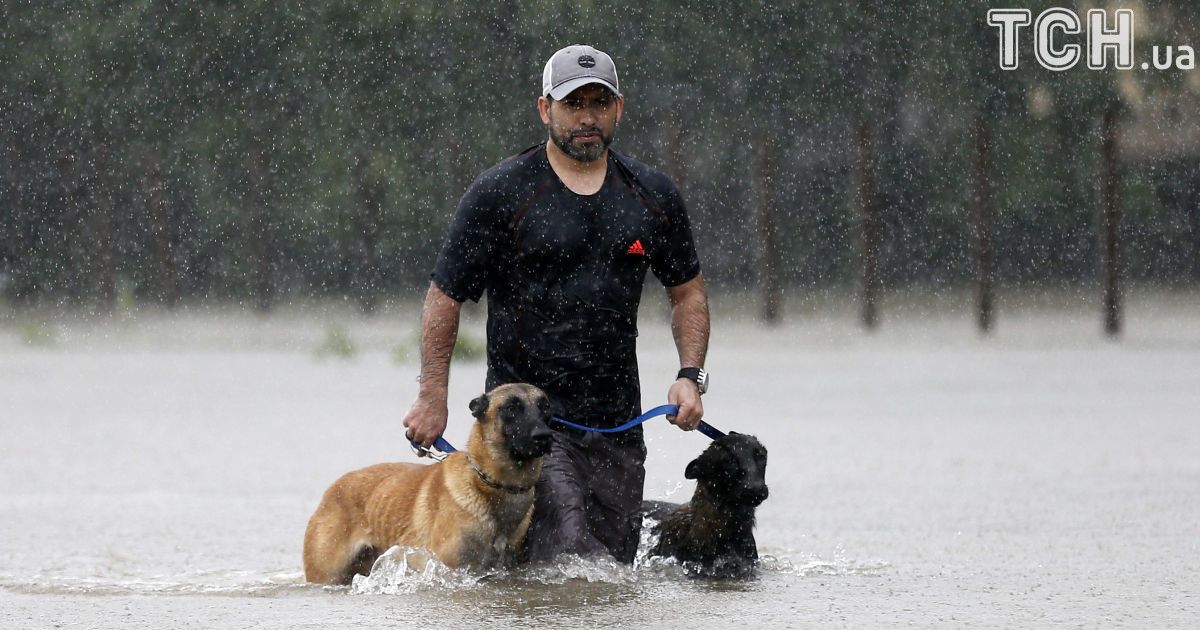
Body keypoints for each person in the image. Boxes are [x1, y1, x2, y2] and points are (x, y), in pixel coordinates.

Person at [402, 44, 710, 564]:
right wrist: (433, 394)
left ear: (618, 109)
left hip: (618, 422)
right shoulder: (500, 192)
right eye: (573, 104)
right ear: (545, 109)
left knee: (611, 574)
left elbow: (688, 293)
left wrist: (690, 374)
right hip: (524, 423)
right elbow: (444, 297)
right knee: (570, 560)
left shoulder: (651, 194)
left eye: (599, 103)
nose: (587, 117)